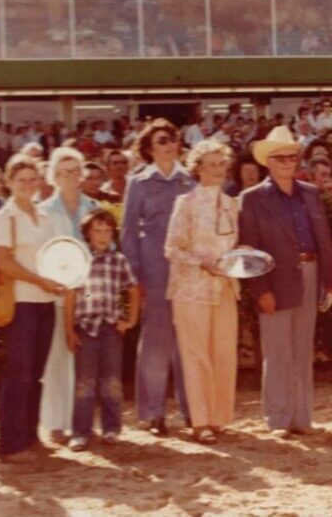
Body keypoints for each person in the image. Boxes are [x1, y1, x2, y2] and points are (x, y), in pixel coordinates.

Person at [238, 125, 332, 437]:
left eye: (291, 157)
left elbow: (323, 241)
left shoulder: (309, 194)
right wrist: (260, 290)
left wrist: (330, 282)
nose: (286, 162)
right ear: (268, 161)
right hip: (275, 279)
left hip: (310, 271)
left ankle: (302, 418)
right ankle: (278, 418)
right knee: (278, 351)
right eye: (279, 157)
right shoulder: (252, 199)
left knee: (302, 350)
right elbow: (249, 250)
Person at [0, 155, 67, 462]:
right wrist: (39, 280)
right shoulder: (3, 218)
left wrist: (61, 278)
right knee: (18, 374)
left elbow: (54, 256)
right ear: (9, 182)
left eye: (33, 179)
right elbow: (3, 262)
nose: (28, 185)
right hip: (21, 302)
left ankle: (29, 437)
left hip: (45, 302)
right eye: (21, 179)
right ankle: (9, 445)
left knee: (36, 374)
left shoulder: (45, 217)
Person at [165, 141, 242, 444]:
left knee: (223, 353)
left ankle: (219, 417)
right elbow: (171, 248)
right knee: (196, 355)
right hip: (191, 288)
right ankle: (200, 421)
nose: (218, 170)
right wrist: (201, 262)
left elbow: (231, 245)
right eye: (211, 164)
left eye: (222, 164)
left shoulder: (230, 203)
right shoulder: (186, 203)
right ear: (198, 169)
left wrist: (240, 254)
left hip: (223, 285)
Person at [122, 119, 195, 437]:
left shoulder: (190, 182)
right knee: (155, 344)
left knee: (189, 343)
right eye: (162, 140)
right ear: (150, 149)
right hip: (154, 271)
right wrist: (135, 277)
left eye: (172, 139)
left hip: (189, 272)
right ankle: (153, 413)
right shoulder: (138, 183)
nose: (168, 145)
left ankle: (193, 410)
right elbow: (127, 233)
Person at [38, 148, 99, 442]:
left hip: (90, 294)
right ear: (54, 177)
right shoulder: (45, 211)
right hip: (58, 291)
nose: (72, 177)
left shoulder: (94, 207)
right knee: (57, 357)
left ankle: (82, 422)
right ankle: (56, 422)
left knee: (86, 360)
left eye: (76, 171)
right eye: (65, 172)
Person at [65, 209, 140, 451]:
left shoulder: (118, 260)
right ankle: (81, 432)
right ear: (87, 233)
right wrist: (69, 329)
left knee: (111, 381)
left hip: (111, 328)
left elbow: (134, 288)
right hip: (86, 327)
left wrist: (130, 320)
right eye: (97, 230)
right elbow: (73, 294)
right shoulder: (79, 260)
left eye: (107, 231)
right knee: (85, 382)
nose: (102, 235)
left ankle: (111, 428)